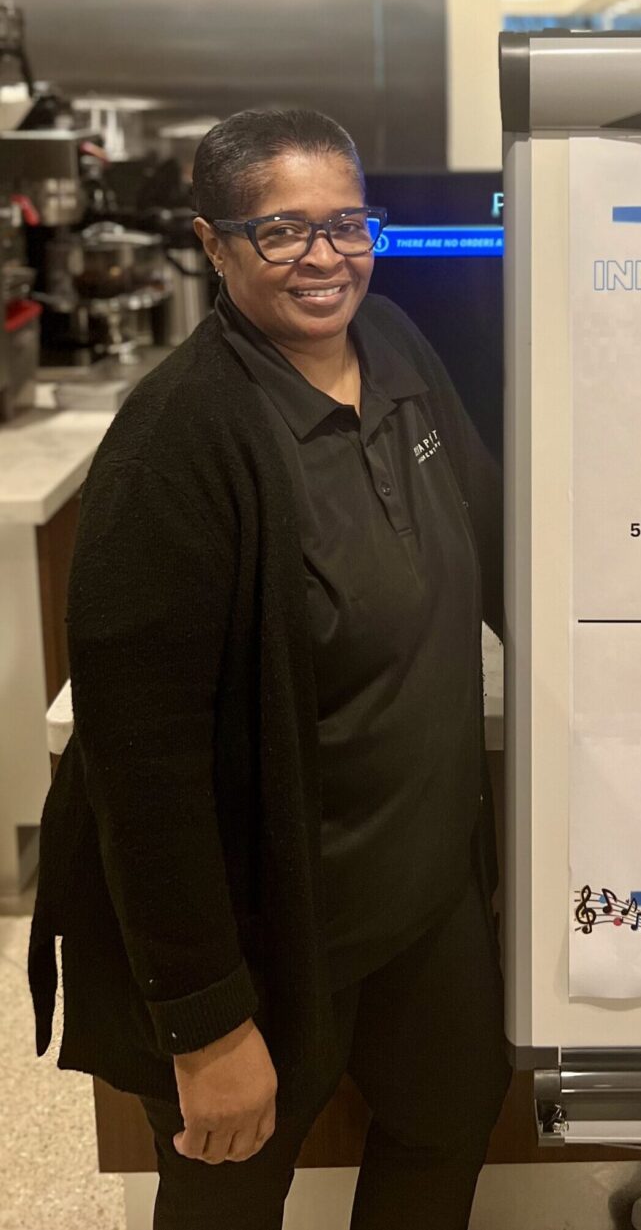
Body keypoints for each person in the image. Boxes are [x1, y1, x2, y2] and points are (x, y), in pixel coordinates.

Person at [27, 108, 511, 1229]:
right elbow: (139, 778)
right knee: (229, 1194)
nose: (326, 255)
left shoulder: (396, 346)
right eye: (283, 231)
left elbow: (492, 535)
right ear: (214, 243)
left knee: (449, 1119)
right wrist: (205, 1024)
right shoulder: (175, 446)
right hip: (264, 923)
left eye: (346, 222)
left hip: (422, 896)